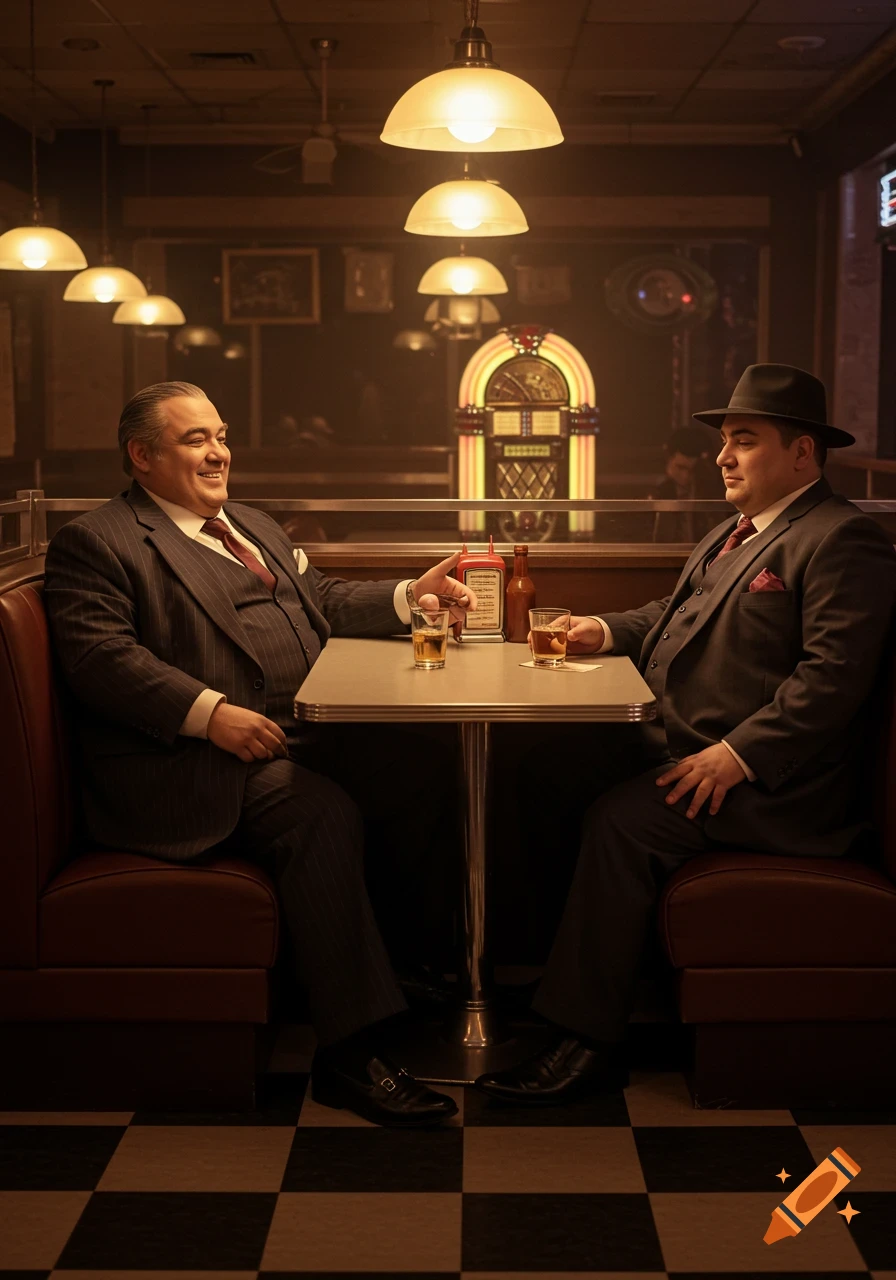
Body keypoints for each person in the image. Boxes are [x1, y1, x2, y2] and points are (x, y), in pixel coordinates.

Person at [44, 380, 477, 1129]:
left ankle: (407, 966)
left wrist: (412, 596)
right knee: (318, 810)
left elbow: (325, 603)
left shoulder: (251, 524)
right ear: (141, 456)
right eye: (194, 440)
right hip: (186, 765)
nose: (218, 453)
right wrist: (210, 718)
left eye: (219, 436)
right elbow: (100, 659)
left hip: (299, 731)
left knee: (426, 770)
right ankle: (350, 1052)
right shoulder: (100, 541)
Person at [476, 363, 896, 1105]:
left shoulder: (842, 540)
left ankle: (588, 1041)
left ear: (804, 455)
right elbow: (667, 613)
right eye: (724, 442)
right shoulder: (732, 533)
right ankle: (559, 974)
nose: (723, 457)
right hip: (684, 748)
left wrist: (739, 756)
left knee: (621, 822)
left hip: (779, 789)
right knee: (543, 771)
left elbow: (833, 679)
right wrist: (600, 629)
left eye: (745, 440)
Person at [650, 424, 720, 543]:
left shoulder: (713, 495)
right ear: (668, 460)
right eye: (680, 468)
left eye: (693, 470)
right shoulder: (657, 494)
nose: (686, 476)